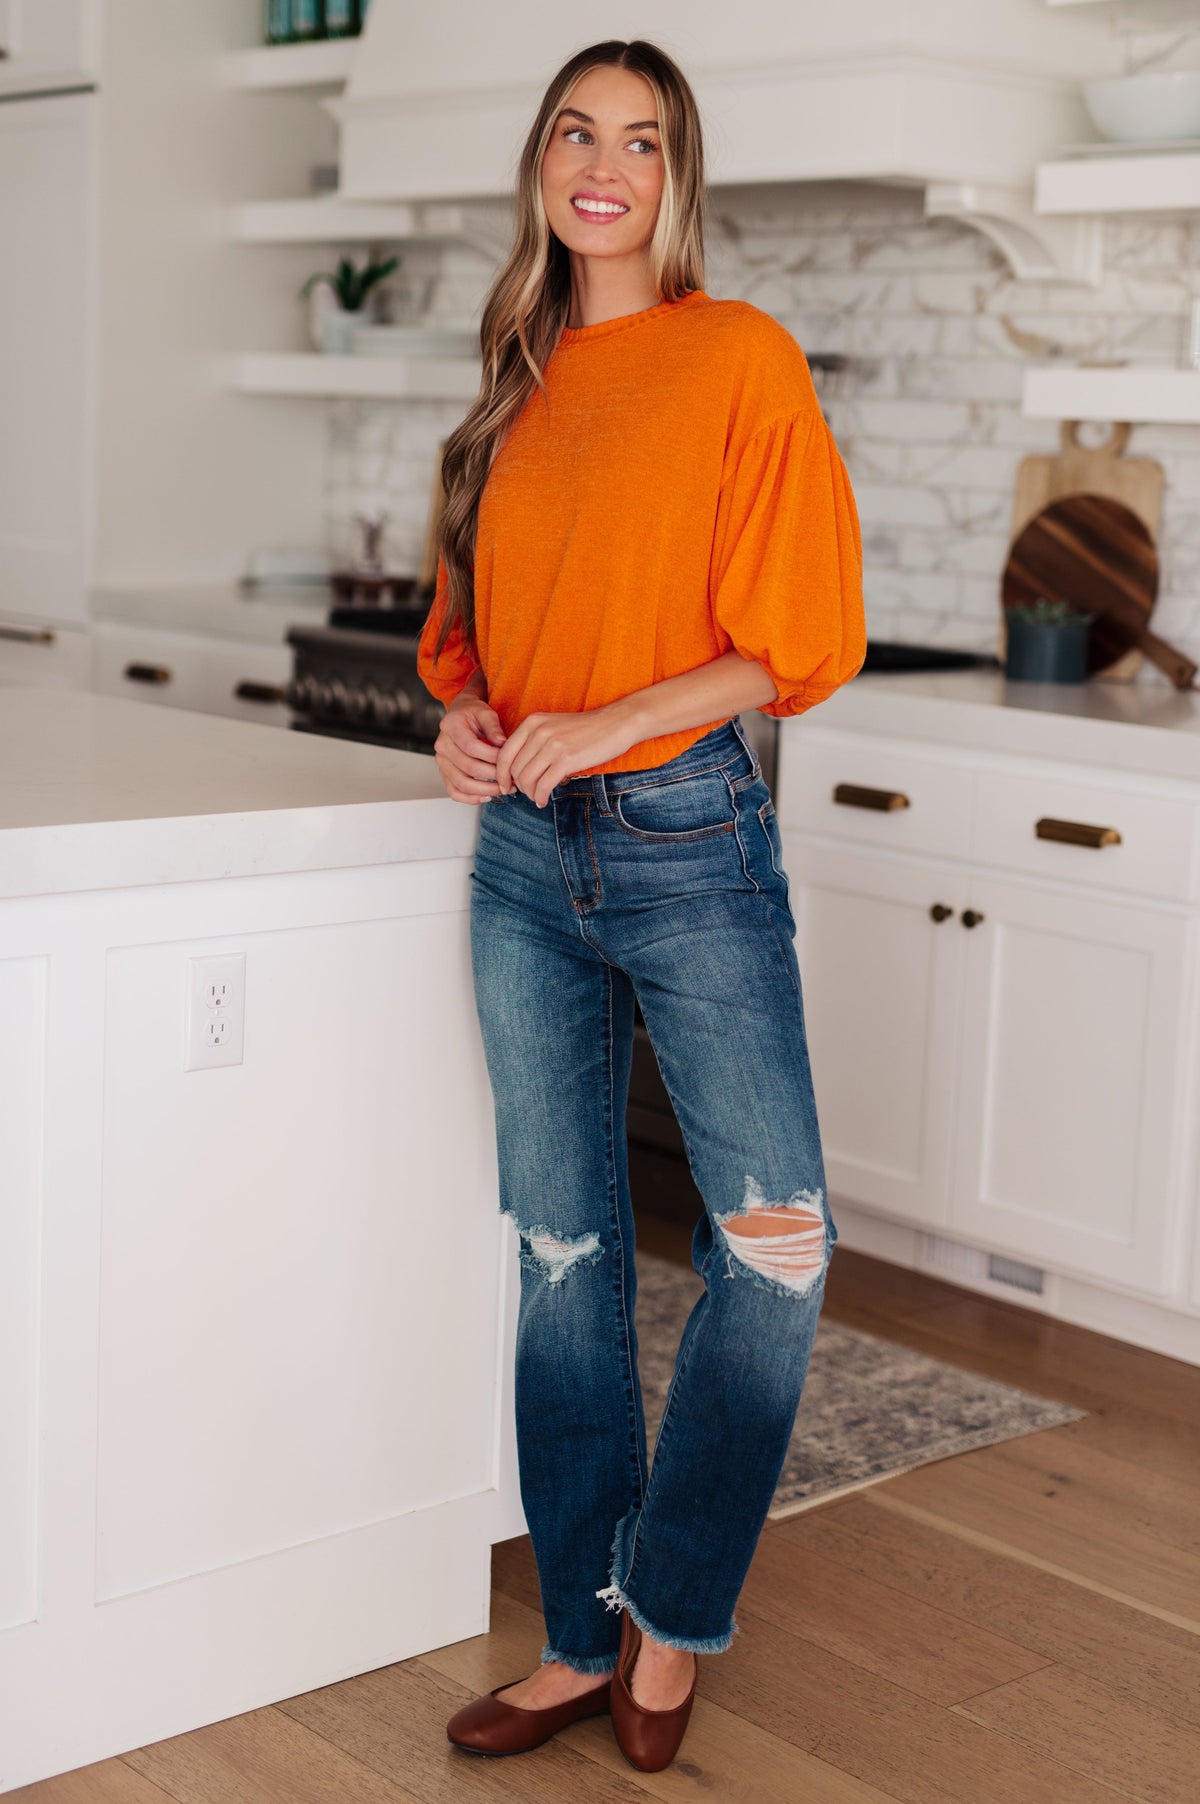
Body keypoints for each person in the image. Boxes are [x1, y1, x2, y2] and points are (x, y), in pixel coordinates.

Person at [416, 36, 864, 1775]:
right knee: (562, 1254)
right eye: (576, 133)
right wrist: (468, 714)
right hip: (524, 859)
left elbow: (793, 641)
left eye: (644, 140)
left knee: (774, 1245)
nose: (604, 167)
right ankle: (575, 1639)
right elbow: (479, 633)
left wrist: (614, 723)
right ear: (541, 163)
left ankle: (672, 1610)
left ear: (680, 176)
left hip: (688, 840)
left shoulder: (739, 357)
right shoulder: (516, 372)